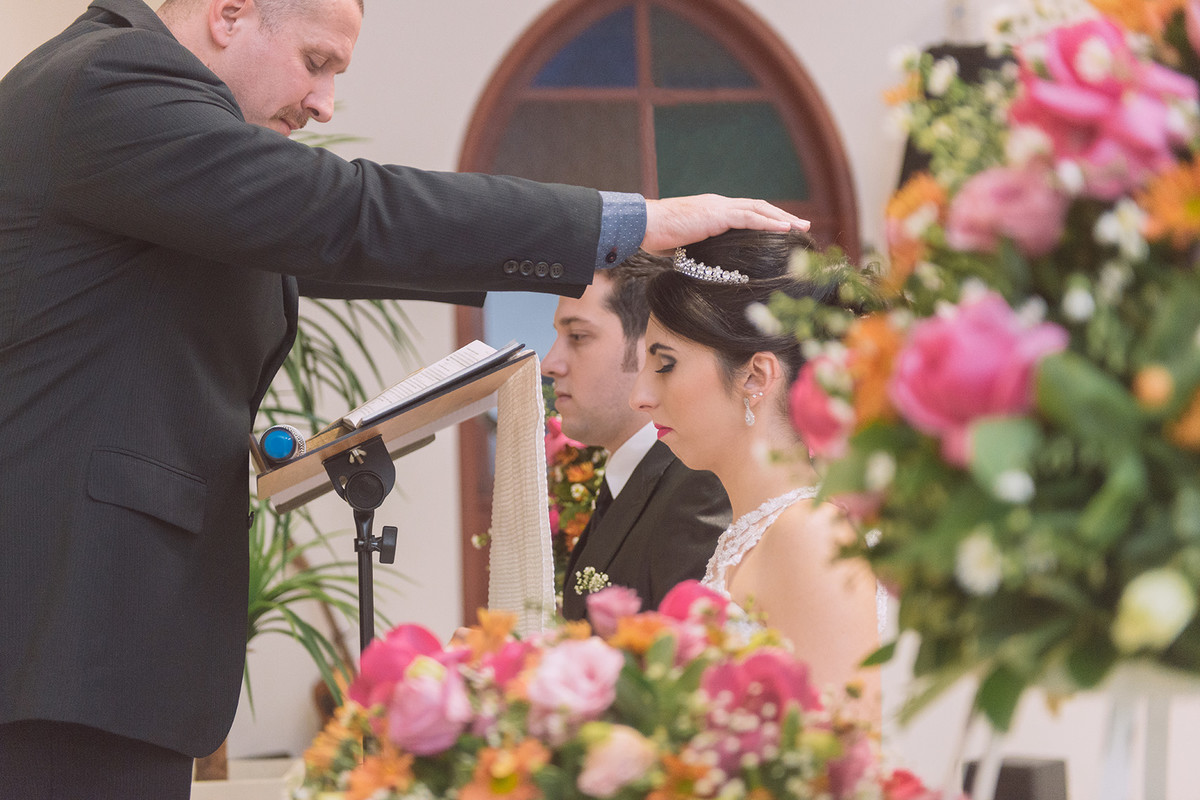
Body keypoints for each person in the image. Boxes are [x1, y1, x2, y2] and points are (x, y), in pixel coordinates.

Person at [0, 0, 809, 795]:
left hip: (87, 642)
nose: (322, 103)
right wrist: (628, 223)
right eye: (316, 62)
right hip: (65, 632)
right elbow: (344, 213)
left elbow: (338, 241)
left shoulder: (152, 147)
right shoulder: (113, 81)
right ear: (231, 12)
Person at [629, 229, 881, 702]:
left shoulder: (808, 535)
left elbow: (844, 761)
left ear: (755, 376)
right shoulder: (751, 533)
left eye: (664, 365)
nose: (638, 396)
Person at [542, 253, 731, 622]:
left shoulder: (699, 490)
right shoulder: (629, 479)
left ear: (652, 347)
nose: (550, 362)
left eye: (578, 336)